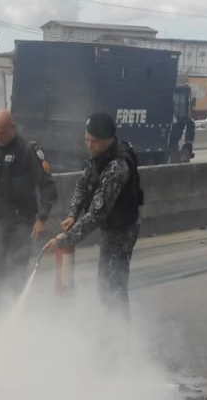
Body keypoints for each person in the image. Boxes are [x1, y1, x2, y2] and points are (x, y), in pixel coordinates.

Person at [42, 112, 143, 311]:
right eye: (86, 139)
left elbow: (97, 214)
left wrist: (63, 240)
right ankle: (111, 330)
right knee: (105, 283)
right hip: (111, 226)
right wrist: (73, 213)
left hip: (122, 229)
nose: (88, 145)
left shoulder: (117, 167)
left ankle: (120, 335)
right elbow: (83, 184)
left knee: (113, 286)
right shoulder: (99, 156)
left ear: (108, 140)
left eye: (94, 141)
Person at [0, 109, 58, 301]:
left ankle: (18, 313)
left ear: (13, 128)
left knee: (15, 269)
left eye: (3, 132)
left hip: (21, 222)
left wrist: (41, 218)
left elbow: (47, 186)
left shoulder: (28, 151)